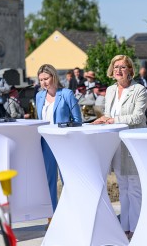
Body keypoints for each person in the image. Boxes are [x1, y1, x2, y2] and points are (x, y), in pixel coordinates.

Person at [92, 55, 147, 241]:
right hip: (115, 144)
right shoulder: (109, 90)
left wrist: (113, 120)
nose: (118, 70)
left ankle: (138, 229)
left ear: (130, 70)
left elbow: (137, 117)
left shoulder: (139, 89)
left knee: (134, 188)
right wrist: (102, 120)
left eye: (123, 67)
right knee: (123, 187)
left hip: (132, 143)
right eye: (116, 67)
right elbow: (108, 114)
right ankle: (125, 227)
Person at [36, 64, 82, 226]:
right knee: (49, 181)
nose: (43, 82)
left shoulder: (67, 94)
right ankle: (52, 217)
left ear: (54, 77)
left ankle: (73, 214)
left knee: (68, 180)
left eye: (46, 79)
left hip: (65, 144)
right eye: (41, 80)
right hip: (46, 143)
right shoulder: (39, 96)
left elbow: (78, 121)